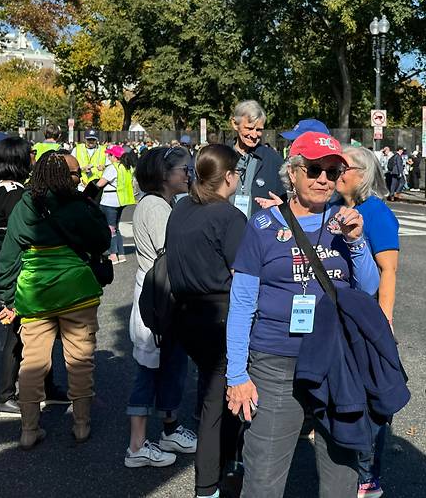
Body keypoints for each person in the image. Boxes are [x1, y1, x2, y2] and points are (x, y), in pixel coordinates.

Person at [226, 132, 380, 498]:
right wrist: (236, 373)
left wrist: (357, 242)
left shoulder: (346, 222)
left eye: (332, 171)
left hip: (336, 363)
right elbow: (242, 303)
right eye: (313, 169)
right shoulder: (263, 227)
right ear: (292, 173)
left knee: (341, 477)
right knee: (263, 478)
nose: (324, 178)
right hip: (276, 362)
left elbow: (369, 288)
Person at [0, 151, 110, 449]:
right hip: (78, 293)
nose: (79, 178)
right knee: (80, 360)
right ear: (65, 178)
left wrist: (9, 299)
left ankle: (28, 430)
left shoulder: (25, 205)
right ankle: (82, 425)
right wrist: (89, 199)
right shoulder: (77, 206)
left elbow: (9, 256)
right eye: (76, 174)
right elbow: (101, 240)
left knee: (32, 363)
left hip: (34, 295)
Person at [166, 144, 247, 498]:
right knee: (217, 402)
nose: (239, 178)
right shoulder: (228, 217)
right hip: (220, 315)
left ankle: (227, 462)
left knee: (212, 393)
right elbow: (242, 274)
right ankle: (207, 486)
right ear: (228, 176)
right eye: (238, 173)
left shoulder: (183, 207)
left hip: (185, 314)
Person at [125, 146, 196, 468]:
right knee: (148, 369)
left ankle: (169, 428)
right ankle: (136, 446)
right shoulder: (155, 207)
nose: (189, 175)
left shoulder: (162, 204)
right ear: (165, 174)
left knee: (170, 365)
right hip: (157, 297)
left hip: (163, 295)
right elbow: (172, 250)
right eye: (184, 169)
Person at [336, 146, 399, 498]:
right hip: (343, 318)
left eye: (342, 168)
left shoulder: (376, 212)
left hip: (368, 320)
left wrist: (384, 321)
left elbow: (388, 270)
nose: (335, 173)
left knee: (372, 400)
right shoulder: (339, 207)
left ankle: (368, 477)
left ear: (363, 174)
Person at [0, 137, 69, 417]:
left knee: (35, 329)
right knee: (21, 332)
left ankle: (46, 386)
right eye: (29, 156)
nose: (32, 160)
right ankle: (5, 394)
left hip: (1, 270)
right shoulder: (18, 196)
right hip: (14, 271)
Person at [229, 100, 285, 218]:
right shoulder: (220, 158)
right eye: (249, 128)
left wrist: (279, 207)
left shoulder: (273, 160)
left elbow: (285, 201)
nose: (254, 135)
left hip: (261, 232)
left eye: (259, 130)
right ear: (235, 124)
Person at [95, 145, 136, 264]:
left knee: (110, 229)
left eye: (109, 155)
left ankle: (113, 255)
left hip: (109, 201)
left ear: (114, 156)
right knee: (115, 228)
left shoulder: (112, 168)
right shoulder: (126, 167)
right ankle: (121, 254)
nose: (108, 156)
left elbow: (100, 184)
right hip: (121, 200)